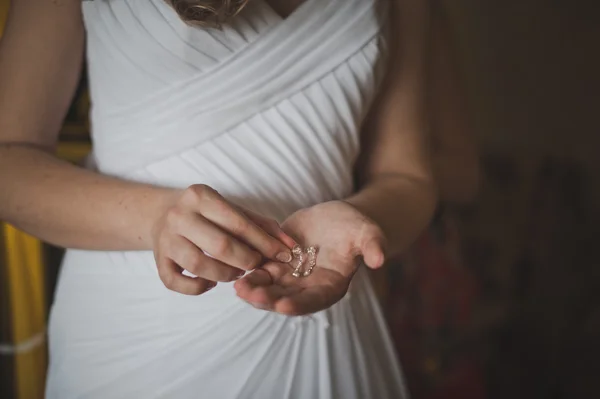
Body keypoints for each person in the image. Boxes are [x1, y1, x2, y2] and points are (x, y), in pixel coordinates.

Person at [0, 0, 436, 397]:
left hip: (326, 313)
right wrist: (156, 218)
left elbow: (406, 175)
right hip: (138, 339)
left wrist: (362, 218)